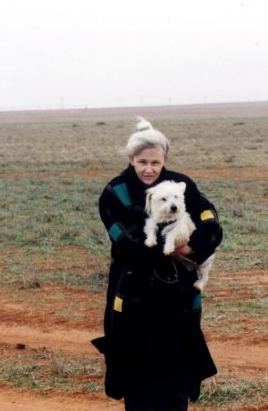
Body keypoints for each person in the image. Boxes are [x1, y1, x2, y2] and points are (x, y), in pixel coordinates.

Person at [92, 117, 222, 411]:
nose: (149, 169)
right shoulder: (114, 193)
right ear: (131, 159)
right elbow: (126, 242)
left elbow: (210, 222)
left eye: (156, 162)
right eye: (142, 162)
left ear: (165, 160)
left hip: (178, 296)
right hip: (133, 294)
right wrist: (170, 246)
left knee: (177, 373)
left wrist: (192, 247)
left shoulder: (182, 185)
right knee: (137, 375)